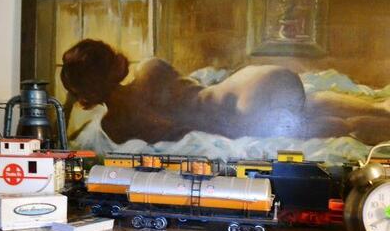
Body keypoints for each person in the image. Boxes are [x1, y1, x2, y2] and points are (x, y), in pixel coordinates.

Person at [60, 39, 306, 145]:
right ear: (112, 60)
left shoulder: (113, 128)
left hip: (244, 117)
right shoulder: (150, 68)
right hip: (258, 82)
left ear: (84, 95)